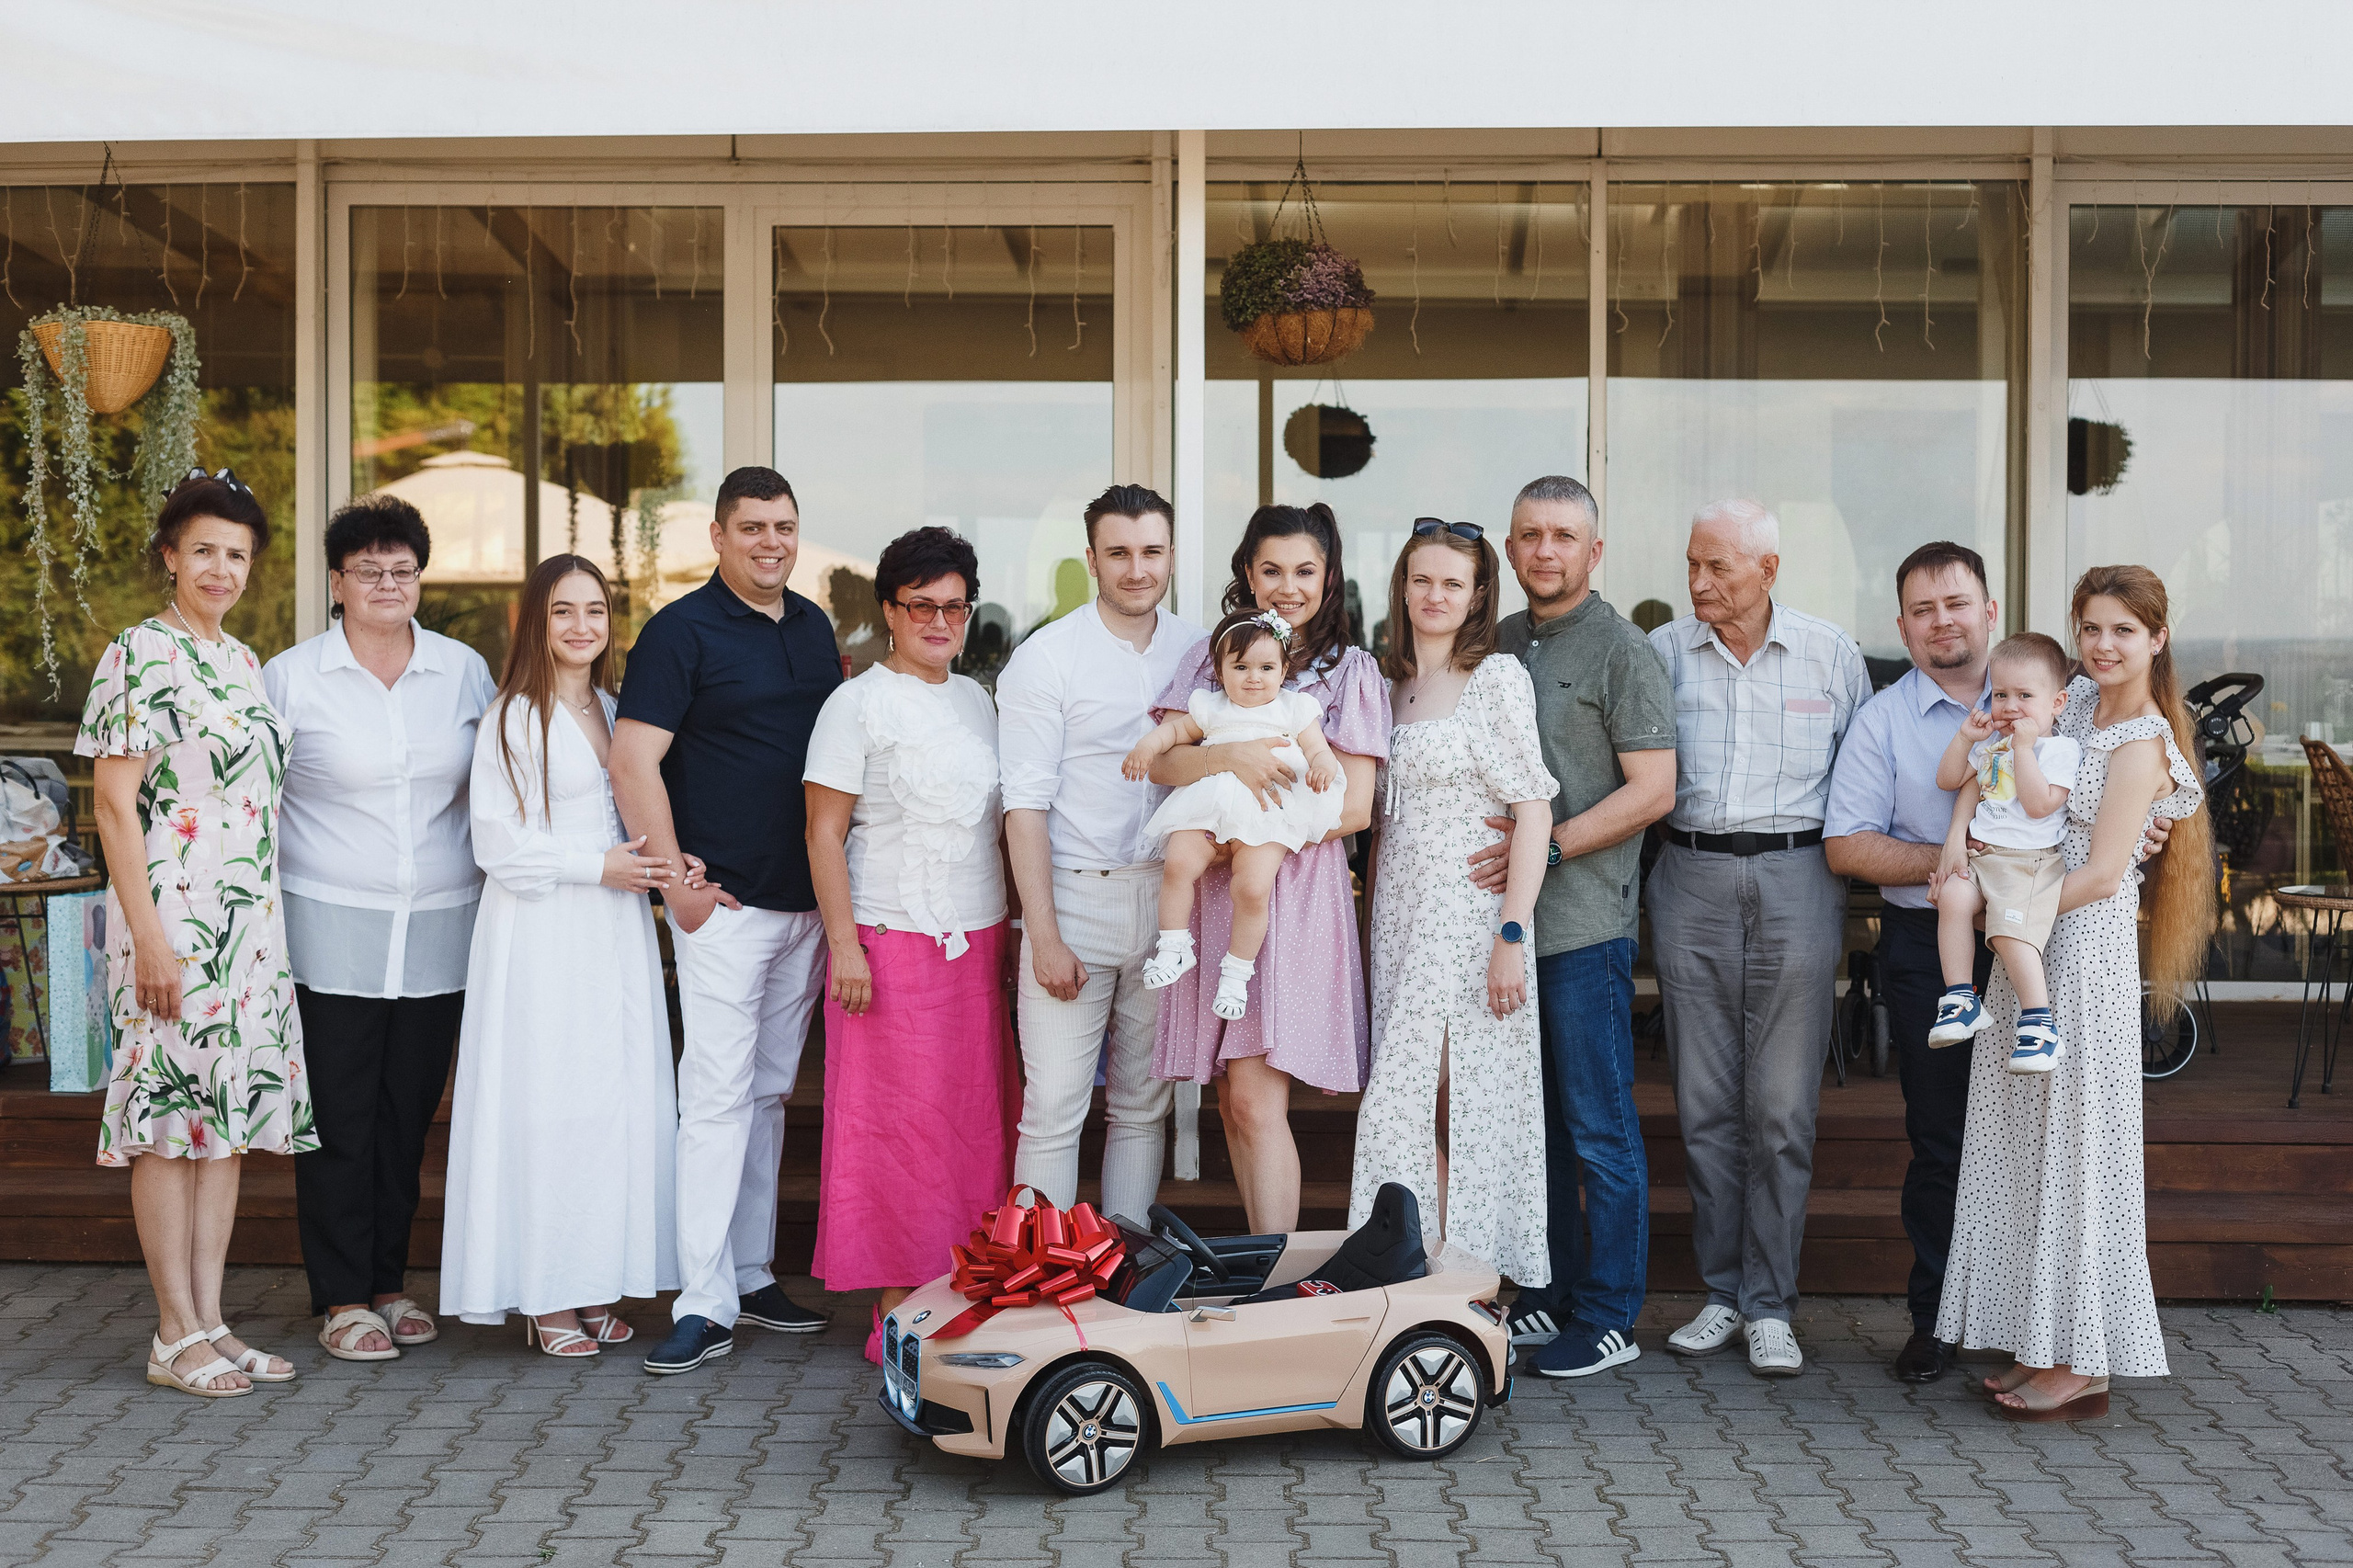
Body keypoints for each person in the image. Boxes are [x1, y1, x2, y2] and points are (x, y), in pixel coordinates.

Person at [1938, 564, 2211, 1420]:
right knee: (2024, 1148)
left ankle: (2084, 1357)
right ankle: (2041, 1337)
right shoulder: (2079, 702)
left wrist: (2004, 903)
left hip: (2078, 947)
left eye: (2123, 631)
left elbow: (2102, 871)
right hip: (2025, 934)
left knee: (2078, 1156)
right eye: (2091, 628)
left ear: (2157, 639)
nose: (2103, 645)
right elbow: (2003, 774)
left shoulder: (2138, 742)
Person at [77, 470, 309, 1397]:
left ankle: (210, 1318)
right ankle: (171, 1331)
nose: (221, 567)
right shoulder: (139, 652)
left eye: (237, 554)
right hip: (171, 921)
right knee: (168, 1128)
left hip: (246, 927)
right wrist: (149, 939)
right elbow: (112, 804)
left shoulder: (245, 660)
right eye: (204, 549)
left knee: (223, 1128)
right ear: (170, 555)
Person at [609, 467, 842, 1376]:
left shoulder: (815, 626)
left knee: (767, 1093)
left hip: (802, 906)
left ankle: (749, 1271)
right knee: (712, 1098)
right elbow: (634, 761)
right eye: (751, 527)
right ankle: (699, 1297)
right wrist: (678, 888)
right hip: (725, 908)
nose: (770, 542)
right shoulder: (680, 630)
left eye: (783, 525)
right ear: (716, 535)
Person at [263, 494, 497, 1363]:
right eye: (368, 570)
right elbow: (259, 799)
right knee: (337, 1118)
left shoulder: (463, 671)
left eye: (402, 570)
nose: (387, 584)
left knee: (406, 1117)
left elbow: (499, 785)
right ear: (336, 582)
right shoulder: (291, 677)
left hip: (441, 926)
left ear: (420, 580)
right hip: (331, 928)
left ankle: (390, 1285)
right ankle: (340, 1298)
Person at [1647, 499, 1870, 1379]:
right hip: (1689, 876)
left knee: (1780, 1110)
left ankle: (1771, 1303)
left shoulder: (1831, 653)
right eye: (1692, 565)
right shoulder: (1663, 653)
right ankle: (1721, 1292)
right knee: (1704, 1106)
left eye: (1719, 569)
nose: (1699, 583)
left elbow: (1868, 776)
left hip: (1799, 875)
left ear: (1768, 571)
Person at [440, 556, 681, 1357]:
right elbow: (496, 844)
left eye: (597, 611)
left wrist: (660, 868)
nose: (582, 627)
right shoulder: (512, 715)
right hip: (542, 932)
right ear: (536, 625)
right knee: (544, 1106)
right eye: (563, 612)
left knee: (606, 1107)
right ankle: (544, 1296)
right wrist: (598, 867)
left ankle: (589, 1282)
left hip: (612, 931)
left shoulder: (617, 711)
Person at [1475, 478, 1677, 1379]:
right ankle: (1548, 1296)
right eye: (1529, 535)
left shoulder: (1621, 650)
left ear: (1594, 552)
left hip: (1583, 933)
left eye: (1563, 535)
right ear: (1510, 550)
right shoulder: (1500, 643)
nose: (1544, 550)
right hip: (1500, 934)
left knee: (1598, 1129)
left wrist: (1546, 846)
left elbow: (1654, 789)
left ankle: (1606, 1313)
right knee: (1539, 1132)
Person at [801, 527, 1017, 1358]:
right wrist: (845, 945)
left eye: (953, 606)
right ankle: (902, 1302)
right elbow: (824, 835)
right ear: (889, 611)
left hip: (976, 942)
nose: (938, 621)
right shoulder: (853, 704)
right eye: (920, 605)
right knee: (896, 1130)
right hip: (887, 944)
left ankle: (967, 1284)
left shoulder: (976, 700)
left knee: (970, 1125)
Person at [1149, 503, 1387, 1235]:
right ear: (1248, 575)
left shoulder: (1350, 671)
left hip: (1287, 890)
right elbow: (1166, 761)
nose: (1289, 586)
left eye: (1305, 571)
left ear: (1329, 579)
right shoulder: (1213, 654)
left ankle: (1276, 1277)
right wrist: (1229, 762)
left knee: (1255, 1097)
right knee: (1233, 1097)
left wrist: (1241, 822)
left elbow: (1353, 806)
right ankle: (1262, 1267)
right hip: (1211, 890)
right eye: (1272, 570)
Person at [1350, 520, 1557, 1290]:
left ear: (1477, 598)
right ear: (1403, 586)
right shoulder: (1388, 684)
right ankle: (1437, 1280)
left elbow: (1531, 809)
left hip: (1467, 925)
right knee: (1421, 1109)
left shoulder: (1495, 678)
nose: (1435, 596)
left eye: (1453, 584)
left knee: (1428, 1111)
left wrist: (1511, 933)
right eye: (1423, 580)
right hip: (1400, 925)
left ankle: (1453, 1286)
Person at [996, 484, 1203, 1222]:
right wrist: (1042, 934)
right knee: (1053, 1105)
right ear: (1091, 560)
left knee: (1141, 1106)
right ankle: (1039, 1282)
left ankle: (1124, 1268)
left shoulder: (1203, 650)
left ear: (1171, 557)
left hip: (1171, 899)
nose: (1136, 568)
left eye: (1151, 551)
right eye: (1119, 553)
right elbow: (1023, 805)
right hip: (1075, 897)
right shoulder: (1045, 658)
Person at [1128, 609, 1344, 1019]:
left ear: (1283, 671)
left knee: (1252, 888)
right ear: (1220, 669)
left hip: (1267, 812)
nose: (1253, 677)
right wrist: (1146, 747)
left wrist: (1322, 766)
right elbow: (1174, 733)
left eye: (1266, 667)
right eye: (1240, 666)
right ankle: (1173, 946)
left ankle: (1237, 972)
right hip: (1208, 807)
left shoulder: (1294, 708)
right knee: (1177, 864)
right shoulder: (1211, 707)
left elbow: (1318, 749)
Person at [1927, 633, 2080, 1073]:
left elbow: (2038, 805)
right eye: (2001, 695)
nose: (2010, 706)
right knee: (1952, 898)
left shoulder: (2058, 750)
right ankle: (1960, 997)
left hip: (2026, 864)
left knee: (2011, 936)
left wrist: (2024, 749)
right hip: (1981, 858)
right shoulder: (1991, 744)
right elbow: (1948, 779)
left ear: (2057, 703)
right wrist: (1964, 738)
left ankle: (2040, 1024)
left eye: (2025, 696)